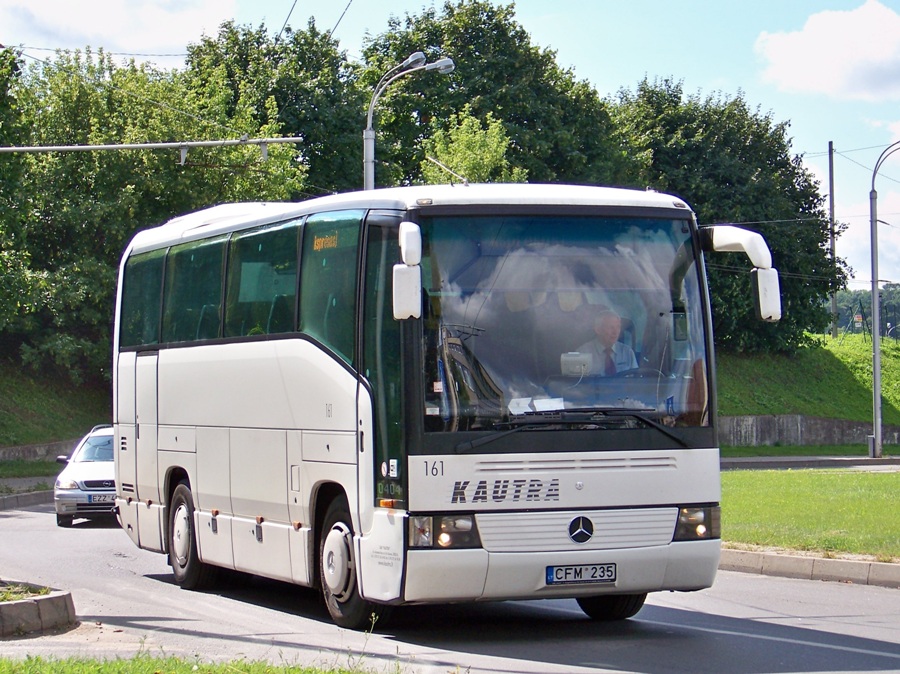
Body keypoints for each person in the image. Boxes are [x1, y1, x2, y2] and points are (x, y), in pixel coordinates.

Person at [575, 310, 637, 376]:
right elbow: (577, 384)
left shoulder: (627, 352)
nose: (615, 332)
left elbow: (636, 382)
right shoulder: (582, 353)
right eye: (611, 327)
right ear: (598, 330)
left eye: (618, 327)